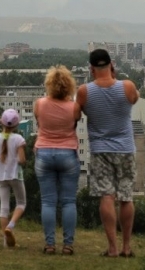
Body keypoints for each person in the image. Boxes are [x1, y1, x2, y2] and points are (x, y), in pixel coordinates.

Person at [76, 48, 139, 258]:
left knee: (107, 196)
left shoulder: (84, 91)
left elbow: (78, 112)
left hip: (100, 149)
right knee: (126, 197)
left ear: (91, 68)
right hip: (125, 149)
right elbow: (134, 99)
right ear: (111, 64)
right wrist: (116, 78)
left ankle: (112, 248)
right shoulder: (127, 86)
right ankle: (126, 247)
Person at [33, 64, 81, 255]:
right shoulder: (74, 107)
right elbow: (74, 124)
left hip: (44, 153)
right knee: (69, 202)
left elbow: (39, 121)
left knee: (48, 202)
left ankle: (49, 244)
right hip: (68, 154)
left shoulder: (40, 104)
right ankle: (68, 245)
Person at [0, 108, 27, 248]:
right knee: (21, 203)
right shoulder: (19, 139)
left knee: (4, 208)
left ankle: (6, 242)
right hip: (15, 175)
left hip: (0, 176)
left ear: (1, 122)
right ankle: (11, 225)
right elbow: (22, 160)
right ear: (16, 125)